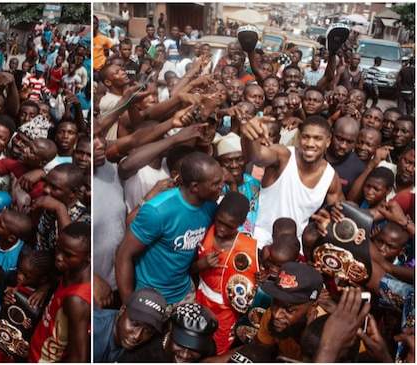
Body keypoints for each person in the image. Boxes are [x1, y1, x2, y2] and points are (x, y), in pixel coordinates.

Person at [116, 152, 222, 305]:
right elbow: (123, 255)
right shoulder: (157, 211)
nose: (221, 187)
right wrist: (128, 306)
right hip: (150, 298)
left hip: (184, 293)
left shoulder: (211, 205)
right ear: (195, 187)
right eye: (215, 183)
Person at [242, 115, 343, 248]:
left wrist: (330, 220)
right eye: (306, 137)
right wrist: (249, 137)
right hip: (258, 239)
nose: (310, 144)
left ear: (328, 141)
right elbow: (257, 157)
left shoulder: (330, 177)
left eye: (317, 138)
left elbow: (341, 212)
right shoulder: (283, 155)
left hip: (293, 249)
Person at [195, 192, 258, 354]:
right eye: (219, 222)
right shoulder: (204, 231)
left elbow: (252, 285)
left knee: (216, 350)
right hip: (199, 298)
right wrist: (201, 265)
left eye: (229, 226)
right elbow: (187, 269)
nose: (221, 229)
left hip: (226, 312)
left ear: (241, 223)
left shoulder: (248, 249)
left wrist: (260, 279)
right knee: (193, 343)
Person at [29, 222, 91, 362]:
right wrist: (47, 287)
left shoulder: (77, 300)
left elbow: (79, 357)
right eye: (58, 249)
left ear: (89, 257)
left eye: (68, 255)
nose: (59, 257)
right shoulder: (70, 269)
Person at [93, 288, 167, 362]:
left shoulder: (149, 345)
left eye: (148, 331)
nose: (137, 336)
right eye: (135, 324)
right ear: (122, 310)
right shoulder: (95, 327)